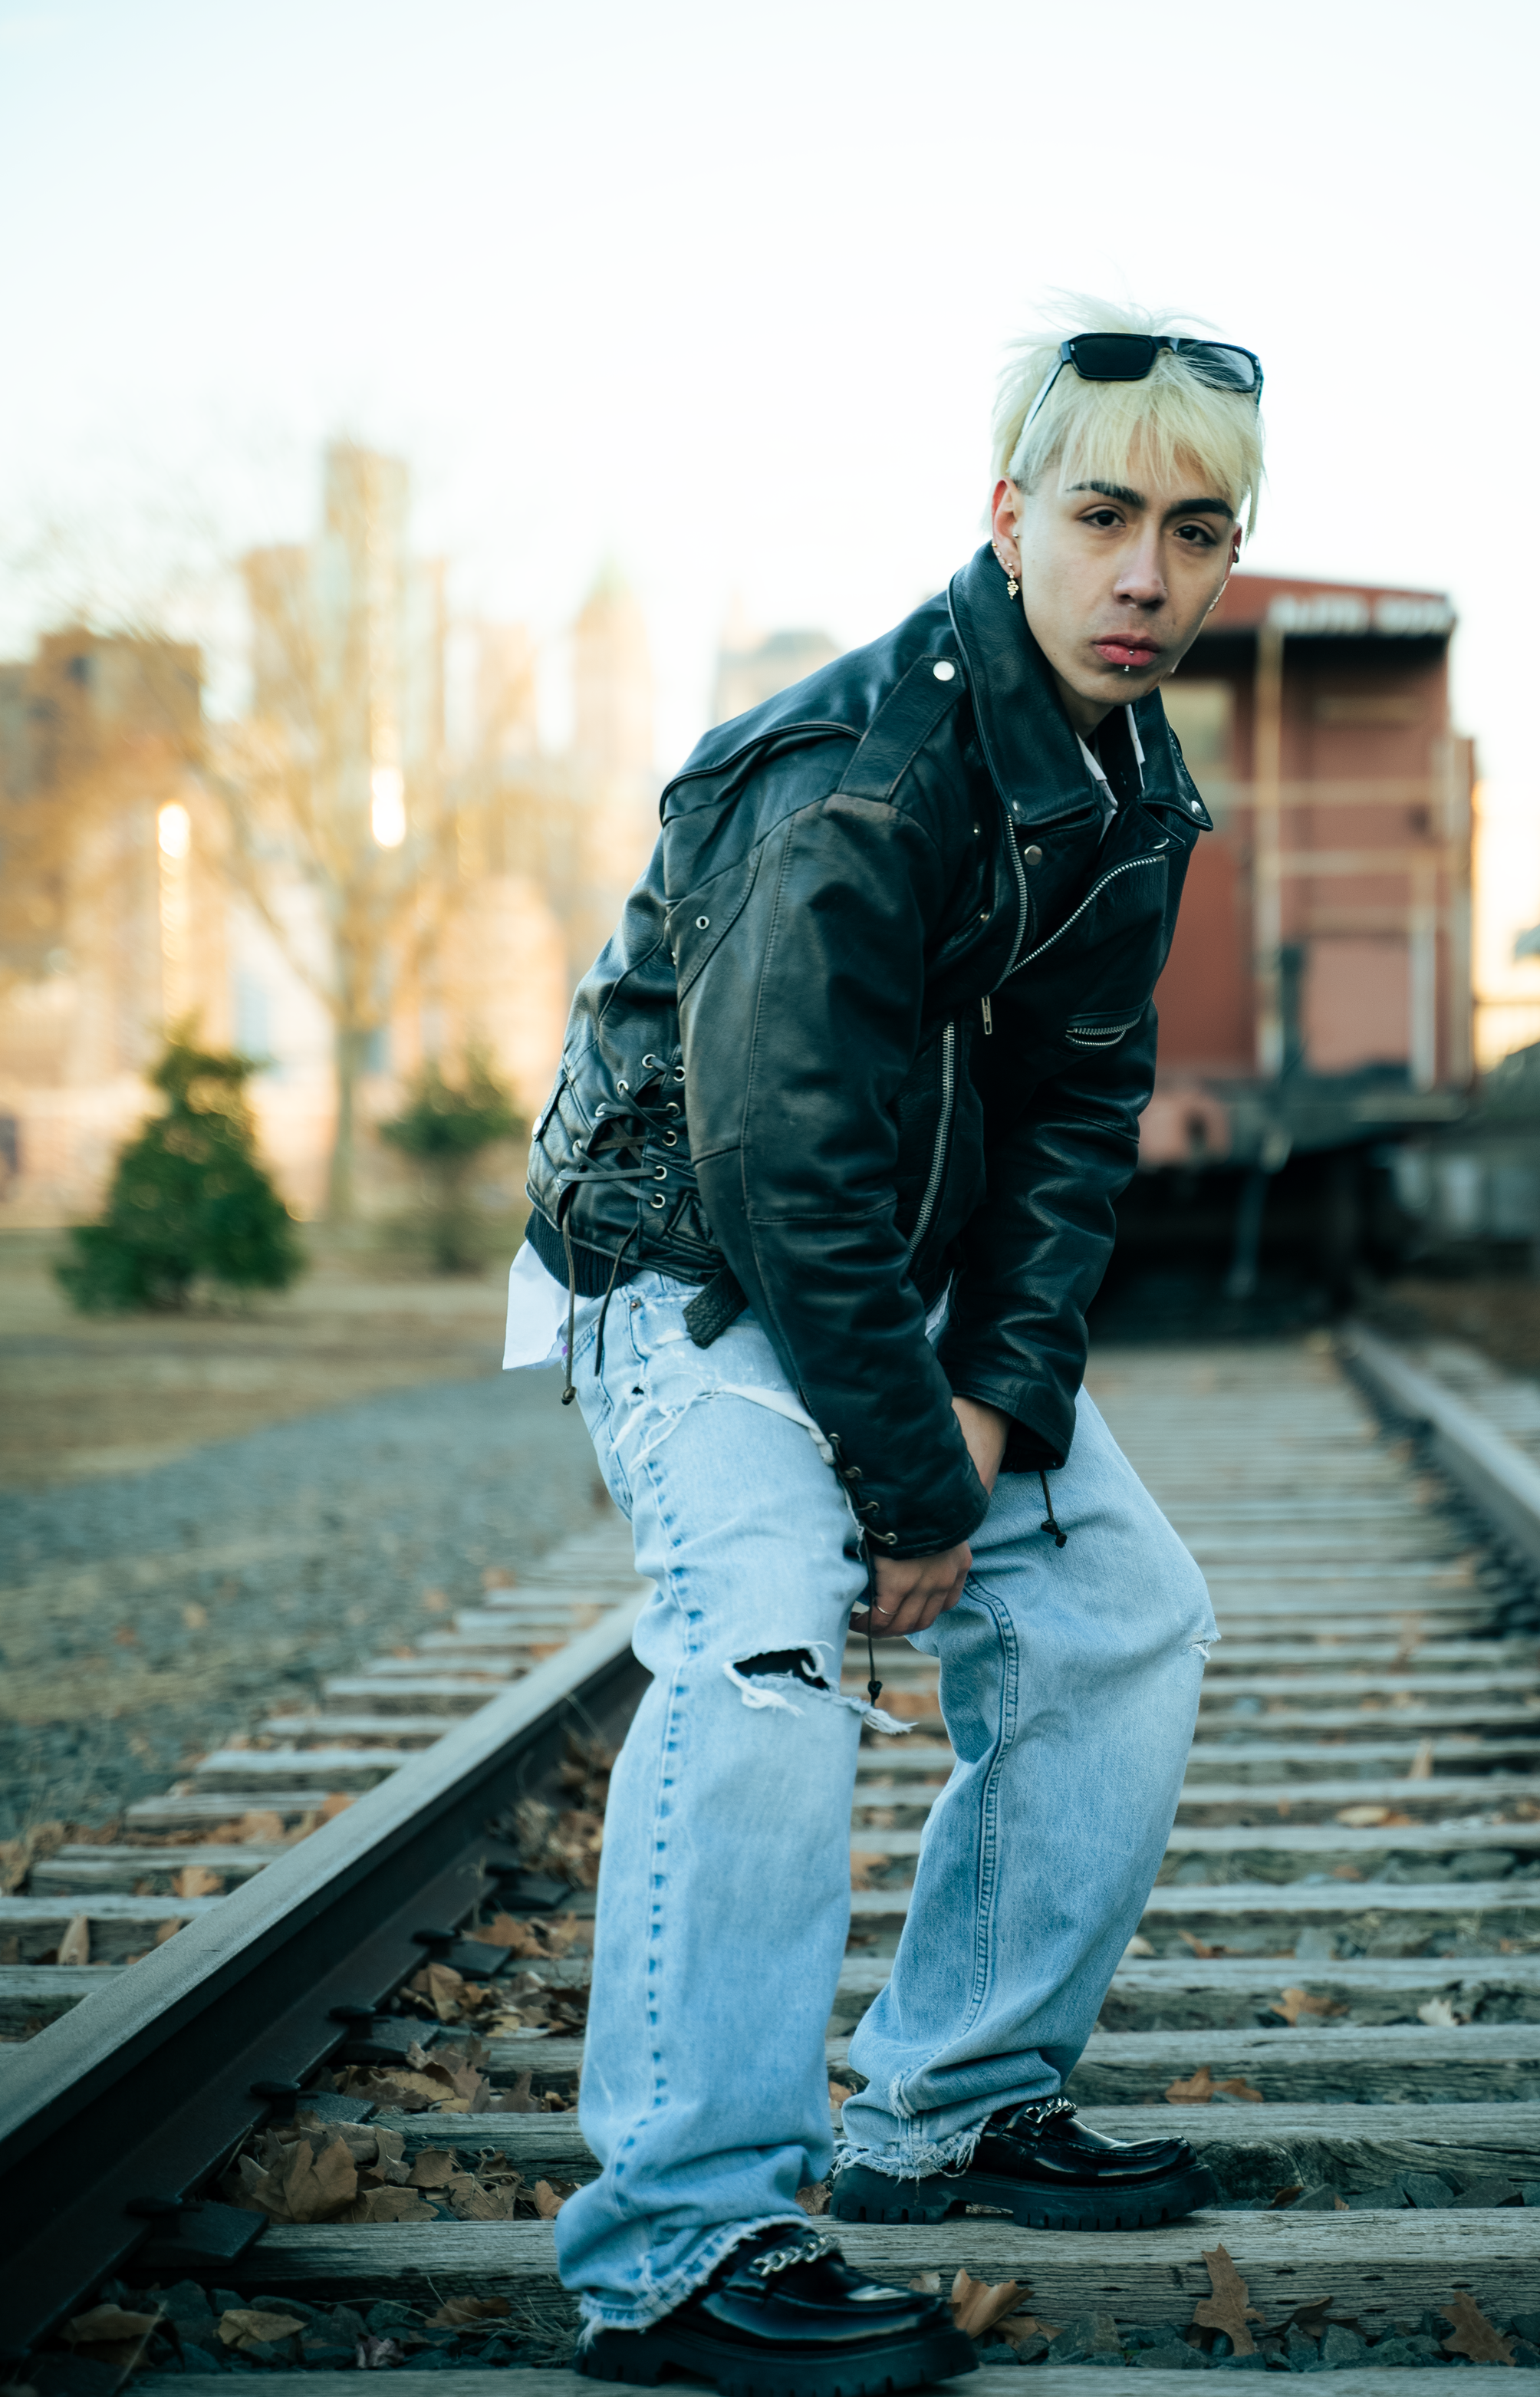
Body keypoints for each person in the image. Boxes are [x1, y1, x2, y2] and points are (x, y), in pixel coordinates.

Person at [505, 299, 1264, 2397]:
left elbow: (1075, 1111)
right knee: (764, 1636)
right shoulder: (855, 770)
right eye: (1102, 516)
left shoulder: (1128, 785)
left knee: (1122, 1616)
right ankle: (677, 2244)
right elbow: (773, 1161)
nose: (1145, 573)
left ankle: (946, 2096)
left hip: (882, 1268)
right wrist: (911, 1489)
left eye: (1195, 532)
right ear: (1008, 516)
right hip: (690, 1260)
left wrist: (997, 1405)